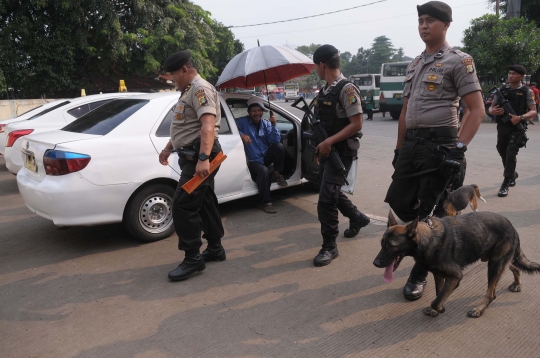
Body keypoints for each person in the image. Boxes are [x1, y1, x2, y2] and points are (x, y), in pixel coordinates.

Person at [384, 1, 485, 301]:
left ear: (445, 25)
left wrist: (458, 149)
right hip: (412, 146)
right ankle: (447, 213)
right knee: (400, 202)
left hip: (440, 146)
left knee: (429, 212)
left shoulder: (459, 61)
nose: (424, 26)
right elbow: (404, 111)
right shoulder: (414, 63)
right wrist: (399, 148)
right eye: (420, 21)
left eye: (430, 20)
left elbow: (476, 110)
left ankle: (421, 271)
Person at [159, 50, 226, 281]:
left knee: (182, 206)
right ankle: (215, 248)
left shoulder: (200, 88)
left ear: (184, 70)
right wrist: (169, 147)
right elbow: (184, 126)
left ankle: (192, 258)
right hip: (194, 154)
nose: (172, 79)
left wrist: (203, 158)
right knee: (205, 200)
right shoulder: (188, 90)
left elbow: (207, 126)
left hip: (200, 155)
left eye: (173, 75)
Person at [311, 44, 371, 267]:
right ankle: (357, 217)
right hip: (328, 150)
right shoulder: (325, 90)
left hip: (342, 151)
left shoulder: (347, 90)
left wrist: (329, 142)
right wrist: (320, 145)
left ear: (322, 65)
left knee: (326, 200)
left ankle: (330, 247)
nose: (316, 70)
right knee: (331, 191)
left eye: (315, 66)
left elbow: (356, 124)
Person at [489, 65, 537, 197]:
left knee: (511, 153)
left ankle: (506, 182)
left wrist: (520, 117)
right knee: (501, 149)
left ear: (521, 77)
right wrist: (491, 111)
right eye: (509, 73)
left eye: (514, 74)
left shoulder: (527, 91)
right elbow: (491, 107)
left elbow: (533, 110)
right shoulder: (501, 90)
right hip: (503, 126)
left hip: (518, 127)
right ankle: (512, 173)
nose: (510, 76)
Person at [235, 96, 288, 213]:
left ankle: (276, 173)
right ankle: (266, 202)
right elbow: (229, 127)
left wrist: (274, 125)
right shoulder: (242, 121)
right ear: (249, 112)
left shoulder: (266, 123)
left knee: (279, 146)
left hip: (264, 157)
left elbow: (274, 140)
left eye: (259, 111)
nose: (257, 113)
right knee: (263, 171)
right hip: (253, 161)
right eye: (253, 111)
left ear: (263, 112)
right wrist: (241, 135)